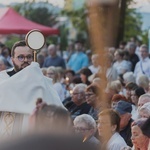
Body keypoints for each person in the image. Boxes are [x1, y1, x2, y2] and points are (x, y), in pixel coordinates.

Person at [0, 40, 63, 138]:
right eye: (20, 57)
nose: (25, 60)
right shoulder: (2, 79)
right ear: (12, 59)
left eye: (29, 57)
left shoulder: (42, 82)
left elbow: (57, 110)